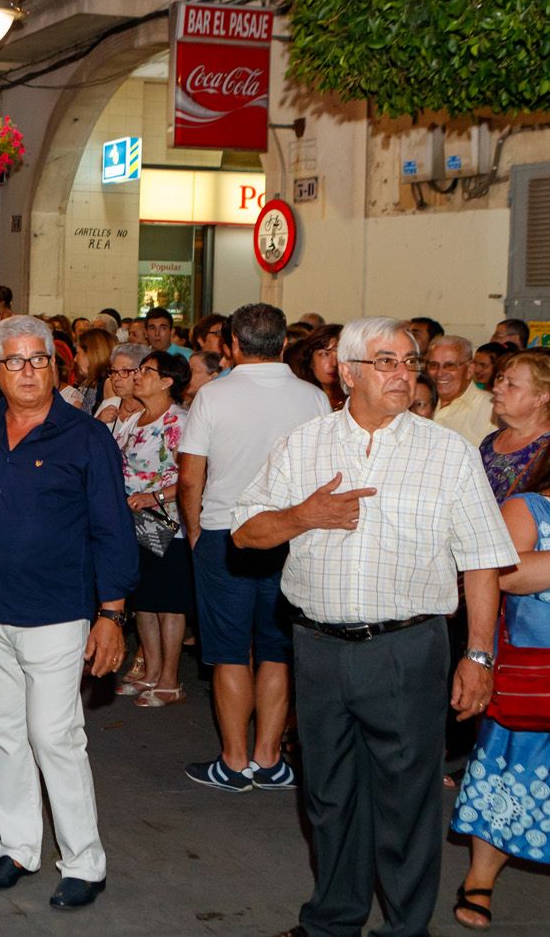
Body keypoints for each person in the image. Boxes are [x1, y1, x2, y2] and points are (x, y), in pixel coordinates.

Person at [233, 317, 515, 937]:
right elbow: (246, 534)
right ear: (348, 372)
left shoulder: (447, 452)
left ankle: (406, 929)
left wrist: (478, 656)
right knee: (328, 795)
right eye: (387, 361)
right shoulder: (303, 445)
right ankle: (333, 921)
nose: (403, 374)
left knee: (407, 800)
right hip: (318, 647)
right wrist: (304, 515)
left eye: (410, 362)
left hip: (407, 648)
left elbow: (482, 560)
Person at [0, 314, 136, 910]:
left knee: (54, 736)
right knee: (3, 735)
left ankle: (85, 862)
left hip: (56, 612)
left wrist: (112, 615)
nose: (29, 372)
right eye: (16, 361)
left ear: (55, 366)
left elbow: (113, 530)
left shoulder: (86, 437)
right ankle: (18, 847)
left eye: (40, 360)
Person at [176, 302, 330, 793]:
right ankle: (268, 758)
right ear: (283, 343)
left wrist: (195, 529)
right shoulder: (314, 398)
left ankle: (234, 760)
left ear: (232, 345)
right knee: (276, 650)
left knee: (228, 651)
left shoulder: (213, 395)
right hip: (290, 534)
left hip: (224, 532)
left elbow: (190, 476)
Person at [449, 443, 550, 929]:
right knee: (510, 772)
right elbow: (505, 574)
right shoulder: (528, 507)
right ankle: (480, 878)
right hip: (535, 675)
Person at [113, 350, 192, 708]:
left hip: (168, 522)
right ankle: (151, 670)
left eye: (146, 370)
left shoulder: (178, 422)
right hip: (134, 521)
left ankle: (170, 680)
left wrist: (154, 496)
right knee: (144, 600)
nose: (137, 375)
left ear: (166, 382)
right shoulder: (134, 419)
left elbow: (192, 476)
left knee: (168, 603)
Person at [479, 350, 550, 501]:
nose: (496, 388)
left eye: (511, 384)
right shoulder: (490, 442)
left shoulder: (546, 452)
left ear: (541, 397)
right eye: (500, 378)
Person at [429, 334, 498, 448]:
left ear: (470, 370)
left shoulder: (490, 409)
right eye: (433, 365)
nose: (439, 373)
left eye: (449, 366)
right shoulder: (418, 402)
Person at [287, 322, 345, 411]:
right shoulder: (300, 399)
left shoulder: (358, 402)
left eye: (340, 354)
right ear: (310, 361)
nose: (334, 363)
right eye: (324, 354)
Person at [95, 343, 150, 427]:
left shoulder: (150, 413)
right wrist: (98, 421)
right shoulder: (109, 404)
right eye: (114, 371)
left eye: (125, 371)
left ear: (141, 373)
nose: (116, 378)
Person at [62, 327, 115, 414]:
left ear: (91, 354)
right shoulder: (90, 382)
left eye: (78, 353)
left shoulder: (109, 384)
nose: (75, 359)